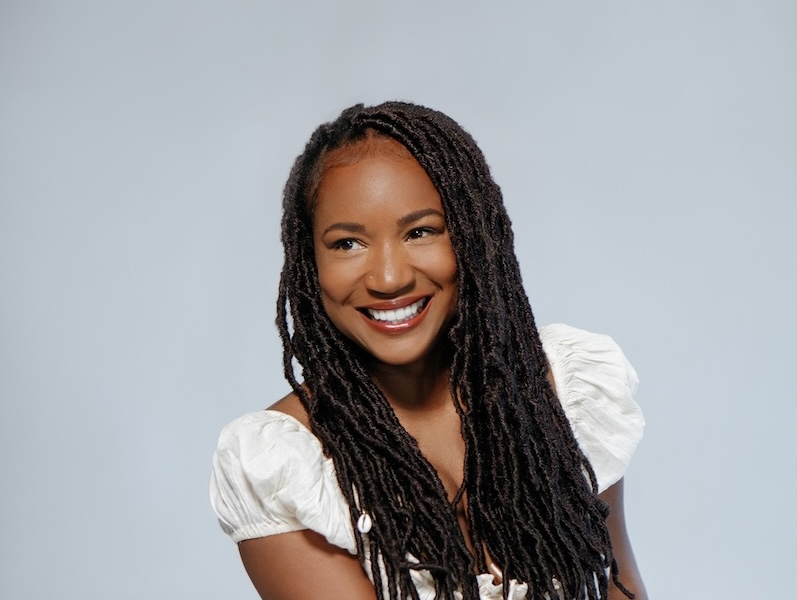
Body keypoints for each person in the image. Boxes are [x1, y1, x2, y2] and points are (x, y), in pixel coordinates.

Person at [210, 101, 647, 600]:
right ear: (310, 264)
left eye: (420, 232)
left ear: (473, 238)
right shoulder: (283, 466)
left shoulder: (565, 392)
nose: (389, 278)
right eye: (348, 243)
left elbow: (620, 587)